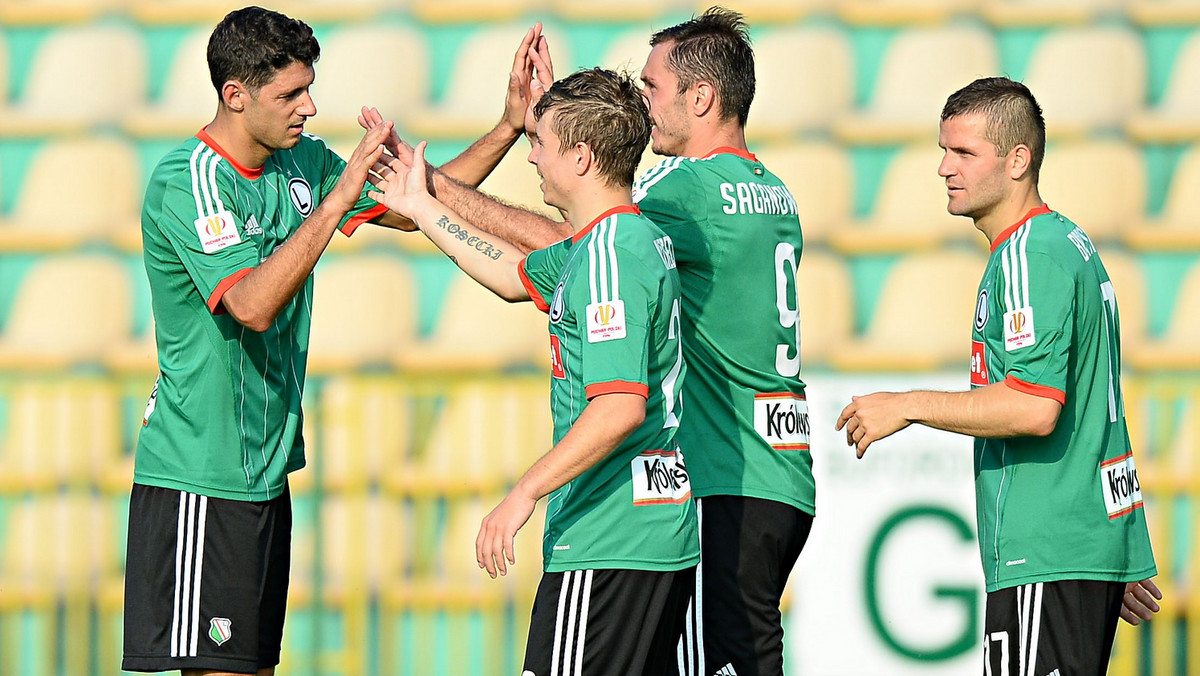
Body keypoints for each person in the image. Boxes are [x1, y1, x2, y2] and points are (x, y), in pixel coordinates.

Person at [362, 8, 811, 674]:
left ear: (702, 96)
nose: (647, 105)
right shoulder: (768, 190)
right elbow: (531, 269)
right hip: (772, 475)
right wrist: (432, 203)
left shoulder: (674, 201)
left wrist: (431, 184)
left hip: (706, 484)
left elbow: (585, 245)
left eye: (653, 88)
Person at [368, 67, 699, 675]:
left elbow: (619, 405)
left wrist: (524, 492)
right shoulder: (619, 241)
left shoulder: (608, 257)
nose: (532, 158)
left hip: (607, 537)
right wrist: (419, 206)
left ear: (580, 157)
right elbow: (509, 273)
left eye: (539, 142)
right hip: (652, 537)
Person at [121, 6, 415, 674]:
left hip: (263, 475)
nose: (309, 107)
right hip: (201, 477)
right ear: (236, 94)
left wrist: (508, 126)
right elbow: (250, 305)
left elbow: (417, 206)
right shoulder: (187, 180)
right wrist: (337, 202)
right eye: (290, 93)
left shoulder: (302, 163)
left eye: (309, 88)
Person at [835, 76, 1161, 675]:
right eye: (943, 150)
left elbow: (1035, 408)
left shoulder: (1030, 255)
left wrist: (907, 404)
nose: (943, 167)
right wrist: (1117, 549)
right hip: (1075, 549)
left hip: (1046, 549)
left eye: (964, 152)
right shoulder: (1065, 243)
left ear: (1018, 160)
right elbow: (1103, 408)